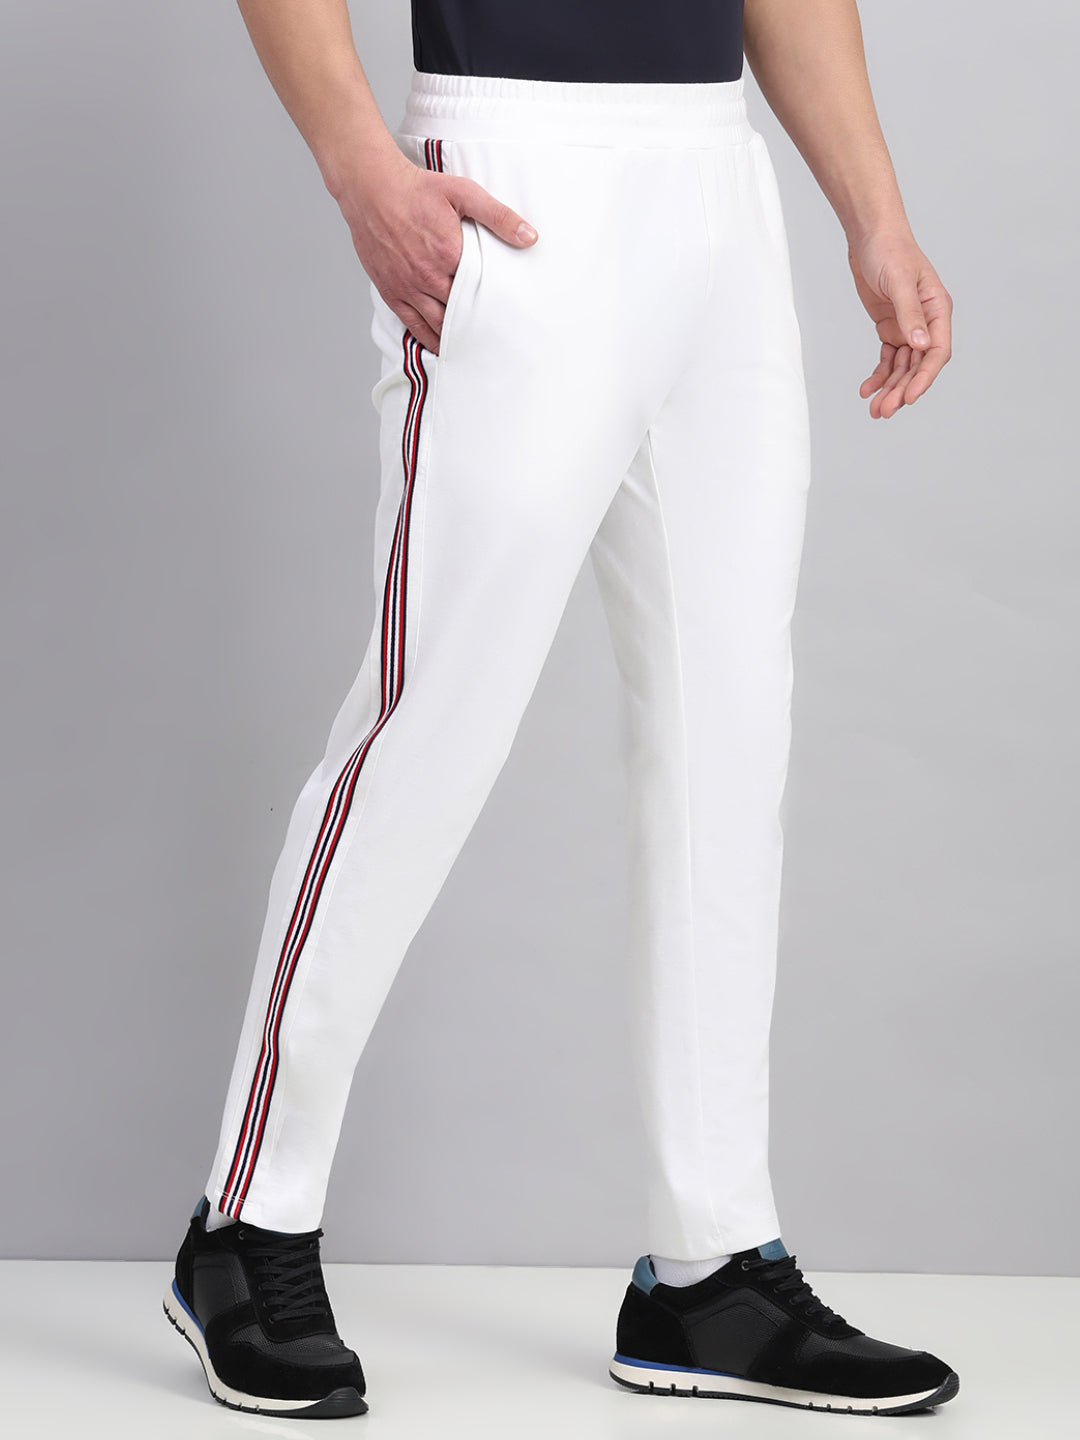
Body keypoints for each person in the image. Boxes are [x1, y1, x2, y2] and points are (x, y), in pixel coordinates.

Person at [161, 0, 957, 1420]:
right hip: (517, 174)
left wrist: (874, 215)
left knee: (728, 745)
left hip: (715, 193)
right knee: (431, 726)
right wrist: (360, 166)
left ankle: (710, 1270)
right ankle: (247, 1222)